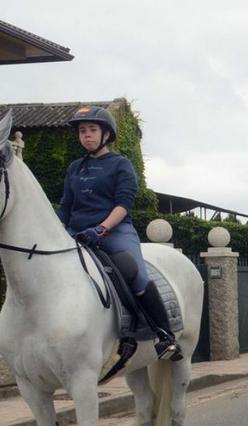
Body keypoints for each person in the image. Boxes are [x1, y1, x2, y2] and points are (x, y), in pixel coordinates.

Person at [57, 105, 183, 361]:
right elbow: (66, 207)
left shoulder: (120, 165)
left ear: (106, 134)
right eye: (82, 131)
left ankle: (164, 335)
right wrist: (58, 232)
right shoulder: (74, 168)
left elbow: (123, 205)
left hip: (114, 230)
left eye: (92, 130)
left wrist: (101, 228)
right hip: (77, 232)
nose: (87, 135)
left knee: (134, 273)